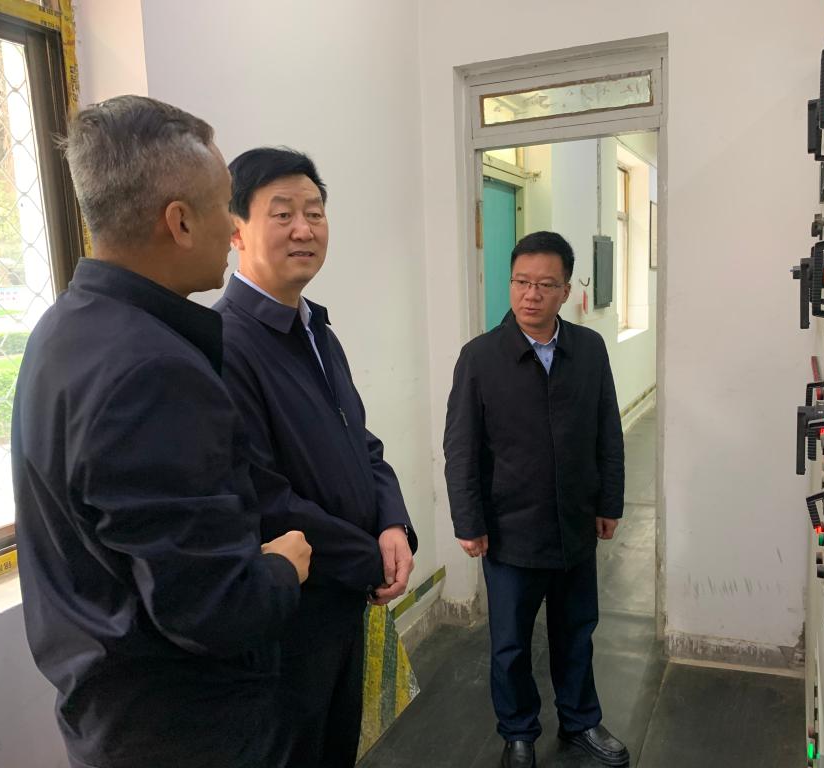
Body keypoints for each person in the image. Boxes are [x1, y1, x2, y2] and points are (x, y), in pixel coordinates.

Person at [11, 96, 312, 768]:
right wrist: (279, 568)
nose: (232, 226)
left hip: (114, 713)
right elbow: (211, 608)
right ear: (179, 221)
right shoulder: (153, 371)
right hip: (186, 728)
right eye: (225, 206)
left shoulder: (65, 330)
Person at [215, 146, 417, 767]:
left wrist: (392, 522)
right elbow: (263, 499)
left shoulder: (316, 330)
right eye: (282, 214)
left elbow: (362, 444)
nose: (304, 229)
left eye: (315, 212)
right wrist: (369, 559)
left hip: (345, 599)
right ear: (235, 230)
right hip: (291, 620)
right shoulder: (226, 345)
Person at [443, 231, 630, 768]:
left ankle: (581, 720)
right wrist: (469, 520)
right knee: (510, 643)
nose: (531, 294)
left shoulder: (588, 349)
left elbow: (607, 431)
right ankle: (518, 732)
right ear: (510, 283)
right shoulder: (480, 358)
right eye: (521, 282)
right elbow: (461, 447)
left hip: (574, 523)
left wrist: (609, 502)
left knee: (577, 632)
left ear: (565, 291)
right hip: (510, 530)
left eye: (545, 285)